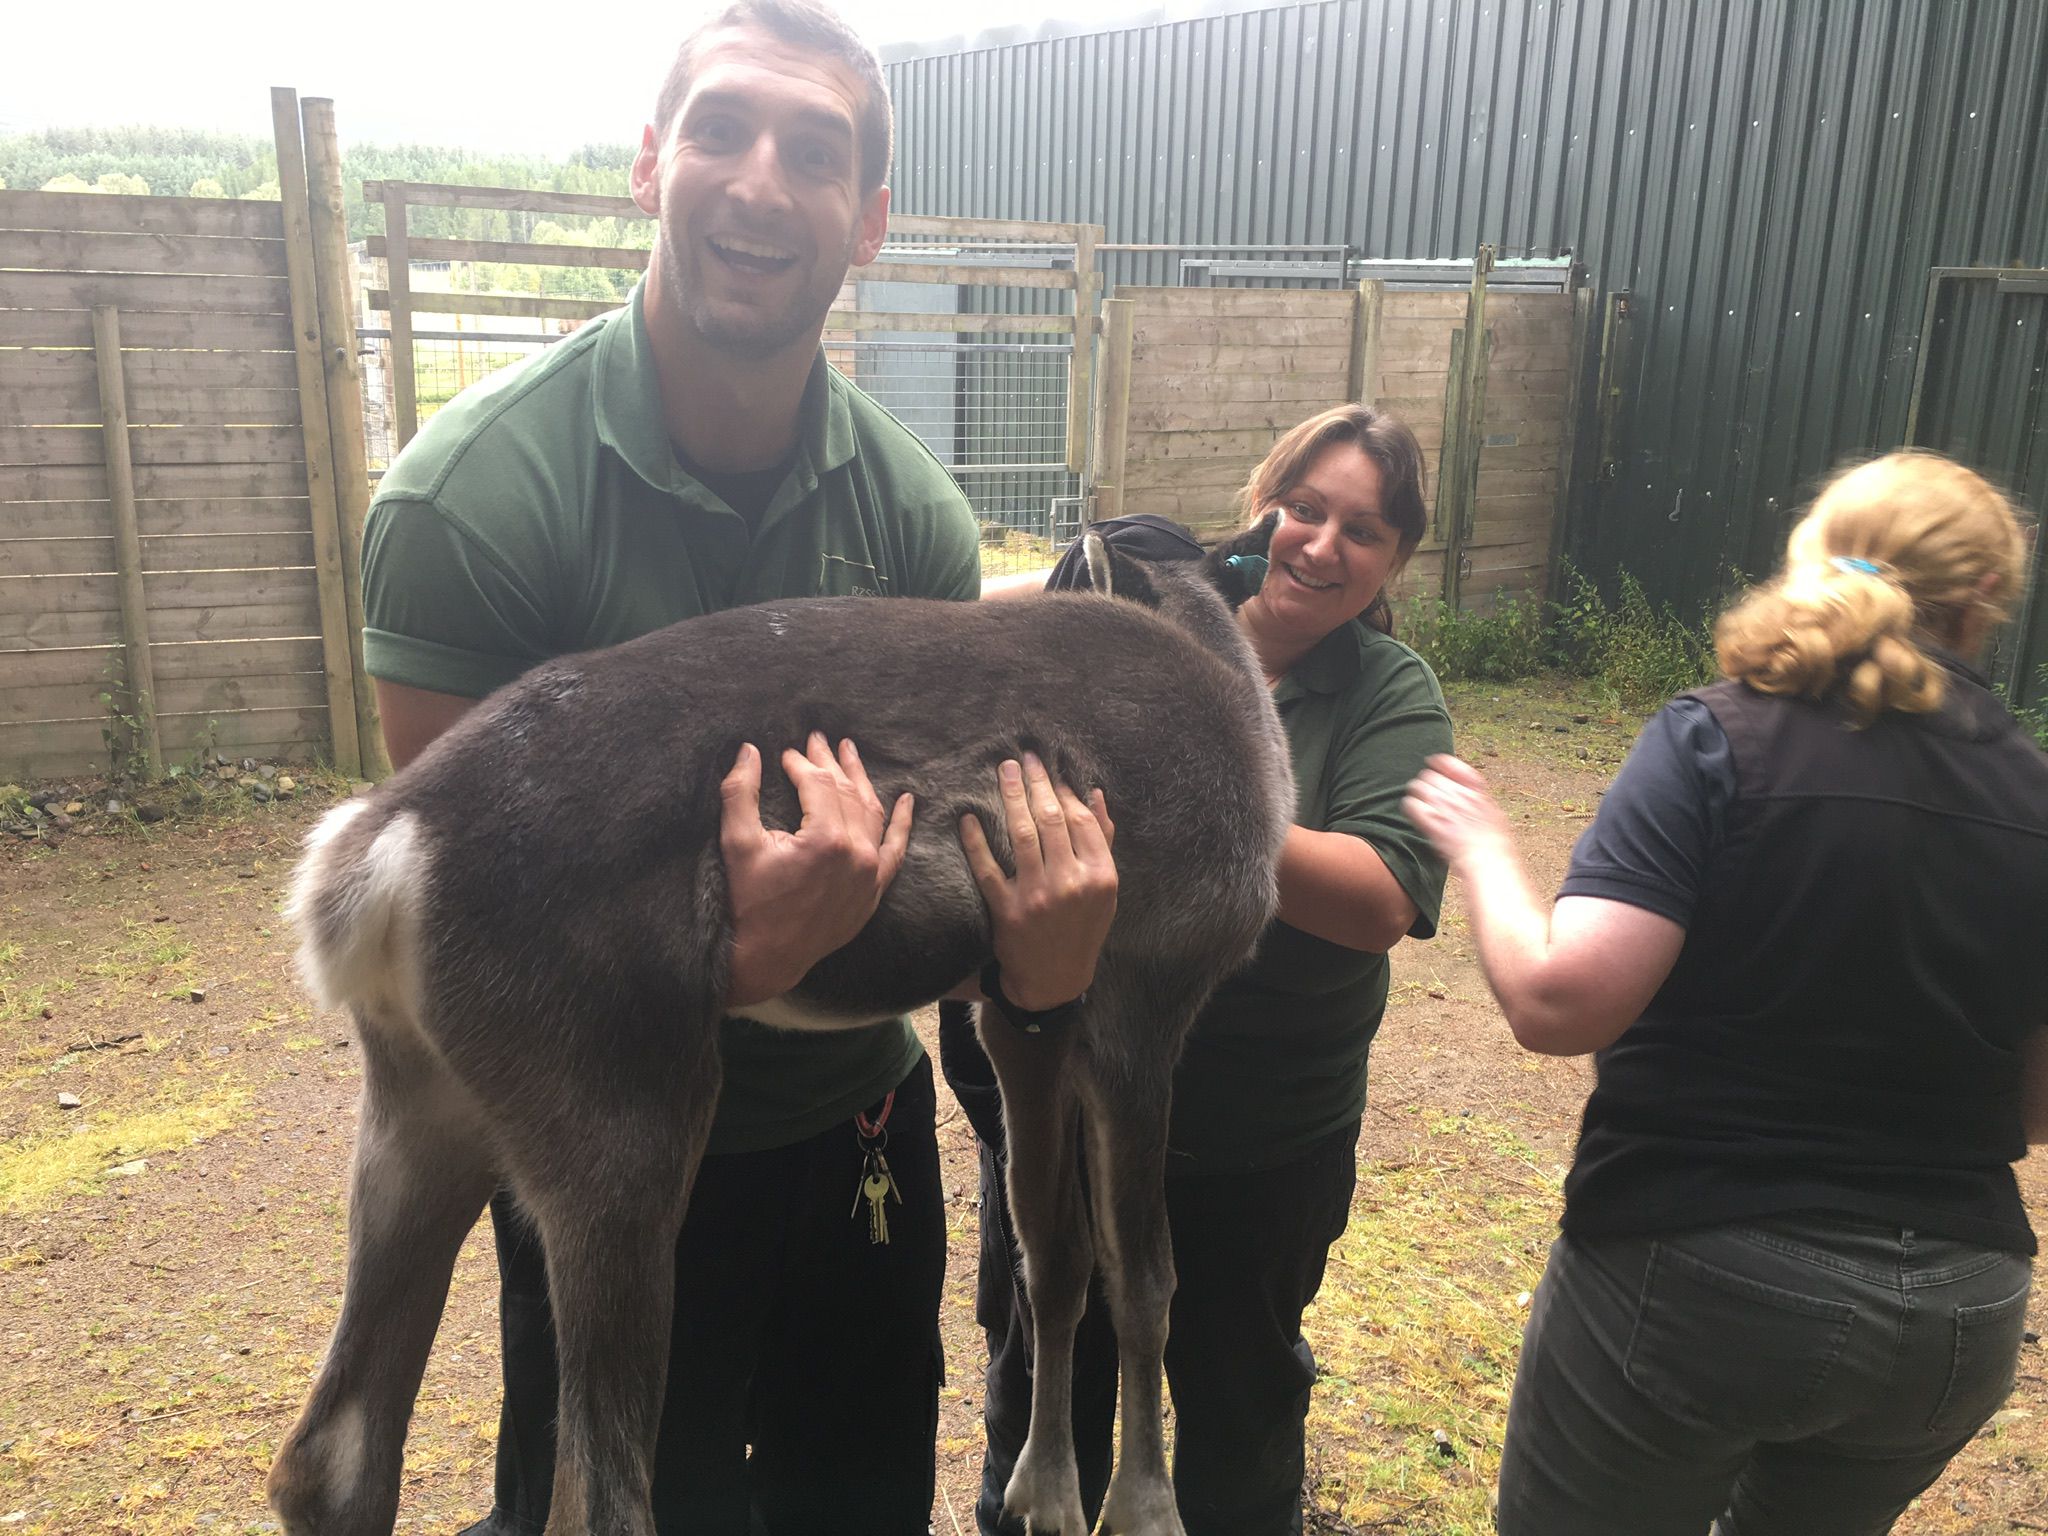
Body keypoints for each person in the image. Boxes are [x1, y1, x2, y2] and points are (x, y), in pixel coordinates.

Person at [358, 4, 1117, 1531]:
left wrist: (1041, 965)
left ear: (871, 221)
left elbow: (951, 886)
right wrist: (719, 961)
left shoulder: (916, 523)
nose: (761, 182)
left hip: (859, 1134)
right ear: (653, 164)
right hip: (615, 1158)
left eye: (815, 151)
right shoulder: (470, 509)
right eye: (721, 129)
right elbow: (468, 956)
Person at [1404, 450, 2048, 1536]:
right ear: (1987, 598)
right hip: (1956, 1311)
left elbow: (1559, 1003)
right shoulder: (2032, 796)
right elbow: (2033, 1109)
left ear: (1807, 558)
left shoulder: (1718, 737)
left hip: (1701, 1272)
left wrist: (1481, 852)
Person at [942, 402, 1455, 1536]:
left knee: (1236, 1406)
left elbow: (1377, 898)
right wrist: (1078, 589)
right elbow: (946, 624)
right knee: (1043, 1371)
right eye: (1304, 510)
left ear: (1392, 565)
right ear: (1258, 509)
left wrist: (1189, 786)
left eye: (1361, 533)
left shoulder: (1384, 693)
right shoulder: (1128, 620)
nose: (1322, 546)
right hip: (1058, 1101)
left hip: (1255, 1138)